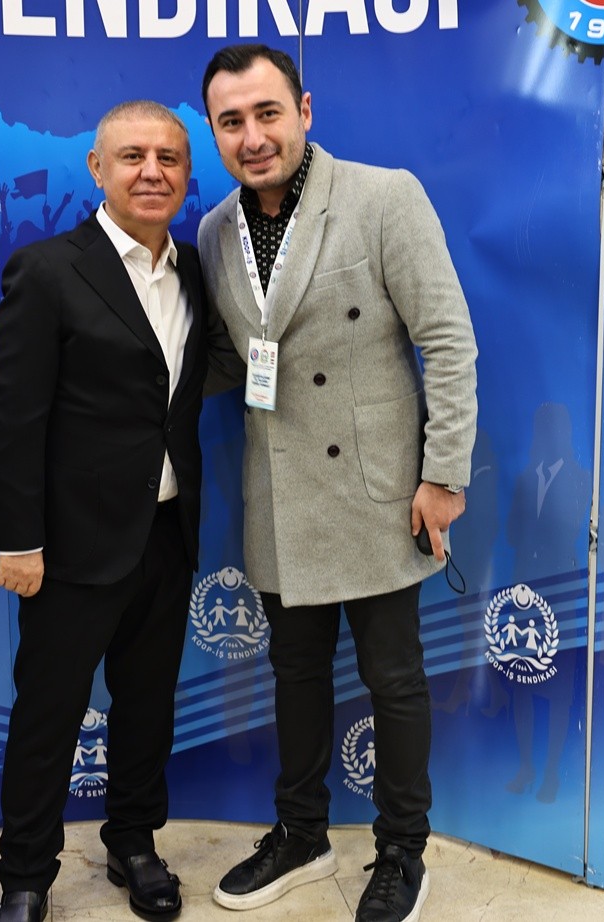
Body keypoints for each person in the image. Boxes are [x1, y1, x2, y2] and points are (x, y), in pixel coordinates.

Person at [197, 45, 478, 922]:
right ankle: (301, 833)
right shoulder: (212, 232)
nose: (253, 136)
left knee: (394, 678)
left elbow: (448, 341)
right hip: (281, 492)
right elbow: (229, 359)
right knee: (295, 673)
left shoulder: (383, 196)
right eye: (231, 122)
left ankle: (402, 850)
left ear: (304, 111)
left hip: (379, 491)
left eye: (267, 113)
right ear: (215, 133)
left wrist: (443, 475)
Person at [0, 99, 232, 922]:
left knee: (148, 706)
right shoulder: (47, 270)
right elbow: (14, 416)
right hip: (69, 545)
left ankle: (134, 841)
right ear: (97, 169)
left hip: (166, 532)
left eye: (169, 158)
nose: (152, 172)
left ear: (187, 175)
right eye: (132, 157)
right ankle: (26, 876)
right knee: (49, 714)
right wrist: (19, 539)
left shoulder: (195, 272)